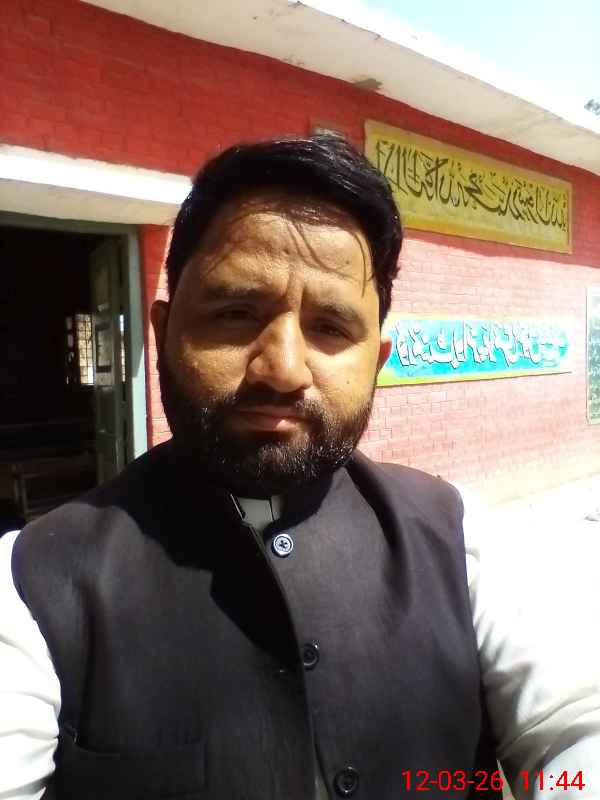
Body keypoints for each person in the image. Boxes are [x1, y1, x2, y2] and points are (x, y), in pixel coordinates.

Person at [1, 135, 598, 800]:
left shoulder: (462, 542)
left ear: (377, 359)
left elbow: (576, 732)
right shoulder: (31, 584)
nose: (282, 369)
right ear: (163, 333)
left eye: (331, 328)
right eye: (235, 314)